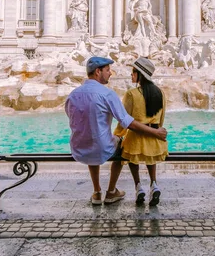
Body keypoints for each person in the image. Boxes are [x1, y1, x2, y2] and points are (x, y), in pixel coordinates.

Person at [65, 56, 167, 205]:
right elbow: (126, 121)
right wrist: (155, 132)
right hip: (103, 148)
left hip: (79, 148)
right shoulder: (107, 94)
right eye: (108, 70)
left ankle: (97, 192)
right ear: (98, 72)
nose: (111, 73)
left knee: (96, 138)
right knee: (121, 145)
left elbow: (71, 117)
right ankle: (112, 191)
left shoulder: (73, 94)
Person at [113, 57, 168, 206]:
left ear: (140, 74)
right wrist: (155, 131)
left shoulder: (131, 94)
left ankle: (138, 187)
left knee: (131, 157)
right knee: (150, 157)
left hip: (135, 139)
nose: (131, 75)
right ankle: (154, 184)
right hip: (155, 138)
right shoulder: (160, 93)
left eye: (133, 72)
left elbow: (124, 119)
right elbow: (162, 118)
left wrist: (117, 134)